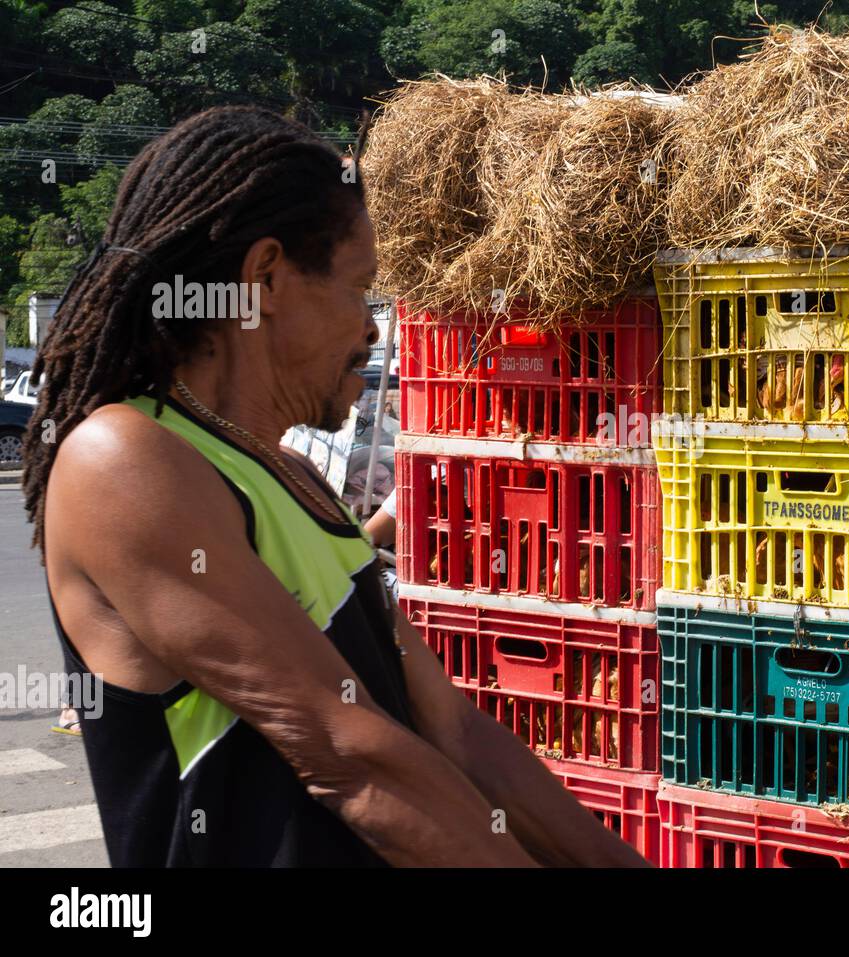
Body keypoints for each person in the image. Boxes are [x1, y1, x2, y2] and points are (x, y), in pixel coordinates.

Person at [24, 106, 647, 868]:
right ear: (266, 279)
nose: (374, 328)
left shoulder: (291, 476)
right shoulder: (125, 458)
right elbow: (349, 754)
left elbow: (457, 731)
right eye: (360, 289)